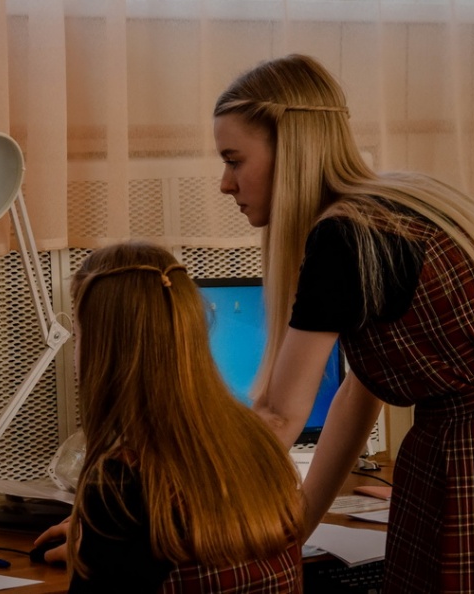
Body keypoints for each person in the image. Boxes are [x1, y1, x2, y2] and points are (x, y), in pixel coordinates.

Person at [212, 53, 474, 593]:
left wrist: (188, 515)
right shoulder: (402, 200)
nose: (225, 183)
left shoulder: (342, 238)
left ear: (291, 147)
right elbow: (359, 392)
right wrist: (299, 525)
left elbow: (280, 414)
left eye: (234, 160)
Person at [35, 241, 305, 593]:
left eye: (79, 334)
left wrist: (98, 547)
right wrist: (100, 543)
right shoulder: (259, 443)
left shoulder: (124, 485)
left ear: (101, 349)